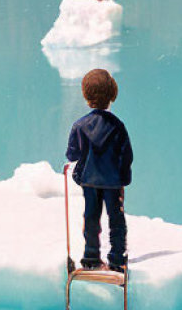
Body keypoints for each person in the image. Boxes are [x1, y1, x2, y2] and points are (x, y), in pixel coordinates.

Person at [66, 68, 133, 273]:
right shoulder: (118, 126)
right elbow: (127, 155)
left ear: (86, 97)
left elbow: (72, 155)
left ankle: (91, 257)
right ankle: (117, 259)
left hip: (89, 180)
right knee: (116, 219)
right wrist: (123, 178)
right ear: (112, 94)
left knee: (91, 217)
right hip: (113, 181)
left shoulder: (80, 125)